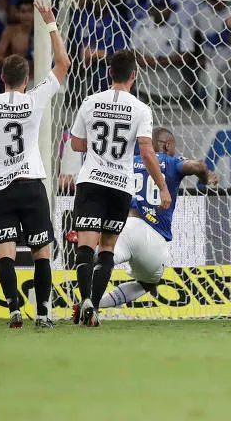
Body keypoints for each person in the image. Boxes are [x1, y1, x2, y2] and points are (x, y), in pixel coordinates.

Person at [0, 2, 70, 329]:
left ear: (1, 78)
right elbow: (64, 64)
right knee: (40, 252)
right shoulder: (35, 98)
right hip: (31, 185)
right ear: (26, 80)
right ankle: (43, 315)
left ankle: (13, 311)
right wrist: (51, 24)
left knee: (5, 253)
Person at [69, 49, 171, 327]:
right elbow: (147, 152)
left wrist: (98, 147)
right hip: (119, 186)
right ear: (134, 76)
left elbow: (76, 144)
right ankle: (94, 309)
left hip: (91, 181)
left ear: (110, 73)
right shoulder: (141, 109)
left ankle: (86, 299)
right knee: (108, 248)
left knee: (86, 247)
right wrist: (162, 187)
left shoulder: (90, 101)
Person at [99, 128, 218, 310]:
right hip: (153, 238)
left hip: (124, 226)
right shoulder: (171, 162)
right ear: (167, 145)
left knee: (100, 259)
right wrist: (206, 177)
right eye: (174, 147)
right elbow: (199, 165)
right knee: (147, 283)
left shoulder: (129, 163)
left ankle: (87, 302)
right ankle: (98, 304)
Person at [0, 0, 34, 68]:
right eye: (23, 11)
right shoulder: (10, 31)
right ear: (17, 13)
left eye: (30, 11)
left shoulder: (43, 31)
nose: (27, 15)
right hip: (18, 74)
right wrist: (16, 64)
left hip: (41, 74)